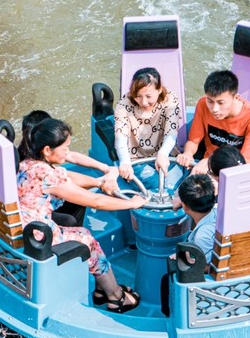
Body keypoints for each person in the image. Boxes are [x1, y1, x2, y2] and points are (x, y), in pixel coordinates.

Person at [16, 117, 147, 311]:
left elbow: (67, 178)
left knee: (77, 228)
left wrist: (100, 182)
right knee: (86, 239)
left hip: (25, 226)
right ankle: (115, 296)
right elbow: (96, 202)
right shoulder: (48, 174)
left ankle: (102, 289)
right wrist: (131, 203)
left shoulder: (29, 162)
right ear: (47, 150)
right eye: (65, 148)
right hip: (38, 235)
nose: (68, 152)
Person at [176, 70, 250, 175]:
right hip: (209, 162)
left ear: (235, 98)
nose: (214, 109)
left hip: (238, 167)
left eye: (221, 103)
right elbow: (194, 141)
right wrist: (188, 153)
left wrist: (210, 164)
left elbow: (244, 161)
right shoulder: (202, 104)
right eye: (210, 101)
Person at [114, 67, 185, 198]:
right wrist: (124, 162)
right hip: (136, 160)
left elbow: (171, 132)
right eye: (138, 96)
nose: (144, 102)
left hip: (166, 155)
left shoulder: (170, 101)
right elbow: (120, 137)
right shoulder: (123, 105)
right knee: (156, 187)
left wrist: (163, 154)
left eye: (148, 96)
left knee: (176, 186)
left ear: (159, 90)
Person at [20, 109, 122, 195]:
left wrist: (104, 167)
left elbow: (71, 156)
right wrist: (101, 182)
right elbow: (65, 178)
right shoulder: (35, 163)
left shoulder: (35, 148)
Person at [175, 173, 218, 267]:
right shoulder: (219, 209)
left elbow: (206, 268)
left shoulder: (202, 237)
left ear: (185, 207)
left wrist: (184, 255)